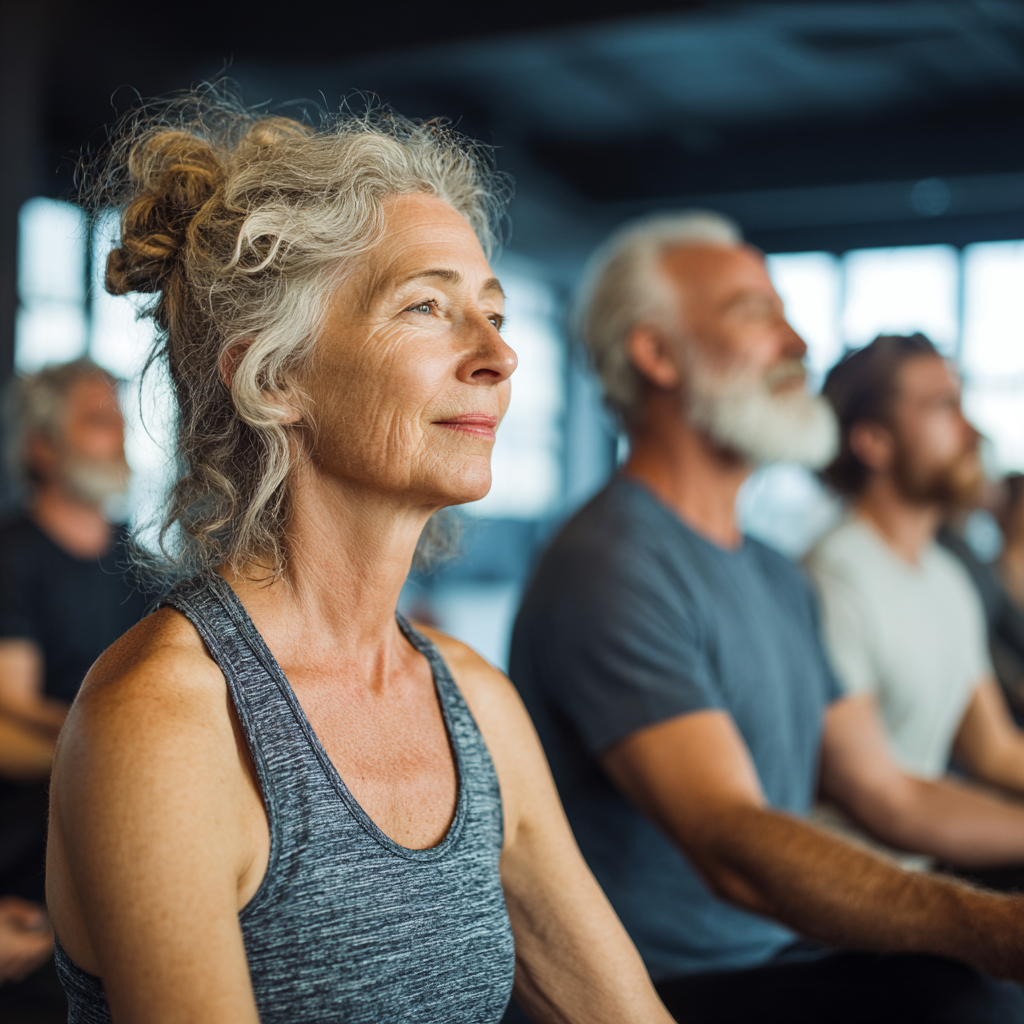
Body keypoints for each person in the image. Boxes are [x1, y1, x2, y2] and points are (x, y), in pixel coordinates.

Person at [46, 92, 674, 1024]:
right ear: (276, 376)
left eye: (492, 312)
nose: (498, 354)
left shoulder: (476, 705)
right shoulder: (165, 721)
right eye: (427, 305)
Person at [510, 211, 1024, 1024]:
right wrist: (993, 927)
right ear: (657, 355)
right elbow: (730, 843)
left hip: (780, 953)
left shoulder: (774, 574)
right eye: (754, 312)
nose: (797, 342)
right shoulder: (612, 564)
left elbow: (889, 794)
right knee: (972, 1000)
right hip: (664, 986)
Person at [807, 336, 1024, 833]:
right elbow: (884, 799)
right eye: (943, 407)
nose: (971, 431)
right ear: (873, 442)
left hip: (922, 868)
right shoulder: (834, 577)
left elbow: (995, 750)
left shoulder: (945, 578)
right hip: (852, 891)